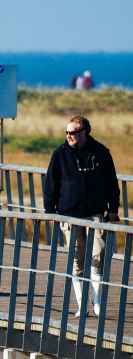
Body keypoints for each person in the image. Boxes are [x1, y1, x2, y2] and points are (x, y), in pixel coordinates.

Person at [43, 115, 120, 316]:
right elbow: (51, 183)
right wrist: (50, 211)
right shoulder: (59, 154)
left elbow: (112, 182)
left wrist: (113, 209)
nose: (68, 136)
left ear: (83, 132)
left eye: (73, 132)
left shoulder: (101, 153)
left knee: (98, 255)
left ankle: (97, 302)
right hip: (69, 214)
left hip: (95, 213)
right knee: (76, 259)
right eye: (67, 132)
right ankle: (81, 306)